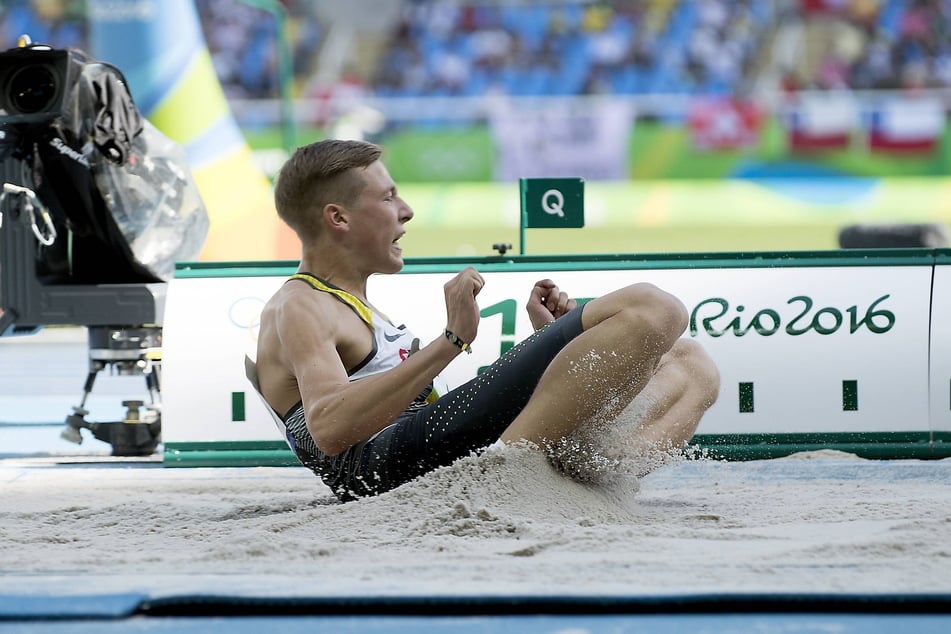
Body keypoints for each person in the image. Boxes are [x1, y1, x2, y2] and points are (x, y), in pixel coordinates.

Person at [254, 139, 720, 502]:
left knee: (691, 364)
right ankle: (506, 473)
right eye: (389, 196)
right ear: (338, 218)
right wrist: (451, 341)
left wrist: (557, 349)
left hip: (424, 453)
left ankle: (591, 472)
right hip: (386, 470)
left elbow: (419, 413)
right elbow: (331, 431)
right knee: (652, 308)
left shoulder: (350, 304)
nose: (406, 211)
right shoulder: (300, 304)